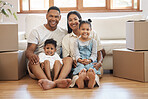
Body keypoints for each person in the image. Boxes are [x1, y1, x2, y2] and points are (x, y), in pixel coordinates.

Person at [25, 6, 72, 90]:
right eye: (51, 16)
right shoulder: (36, 31)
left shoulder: (63, 32)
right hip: (41, 66)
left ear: (60, 18)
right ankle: (47, 81)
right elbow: (29, 51)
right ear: (46, 16)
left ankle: (57, 80)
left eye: (56, 16)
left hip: (56, 67)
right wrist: (32, 56)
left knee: (69, 59)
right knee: (33, 62)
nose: (53, 19)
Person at [62, 11, 105, 88]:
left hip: (92, 62)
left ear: (80, 20)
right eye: (70, 20)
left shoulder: (92, 35)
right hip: (78, 63)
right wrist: (76, 60)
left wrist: (99, 62)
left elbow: (98, 51)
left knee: (94, 72)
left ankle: (91, 81)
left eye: (75, 19)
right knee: (77, 74)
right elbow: (67, 57)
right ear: (68, 22)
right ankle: (80, 81)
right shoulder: (67, 38)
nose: (73, 22)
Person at [73, 19, 100, 88]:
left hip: (90, 62)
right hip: (81, 62)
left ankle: (92, 81)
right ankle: (80, 80)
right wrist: (79, 60)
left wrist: (90, 60)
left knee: (92, 71)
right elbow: (76, 53)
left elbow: (94, 54)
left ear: (91, 30)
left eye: (87, 29)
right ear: (79, 29)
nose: (85, 31)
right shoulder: (76, 41)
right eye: (83, 29)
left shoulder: (93, 41)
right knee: (79, 71)